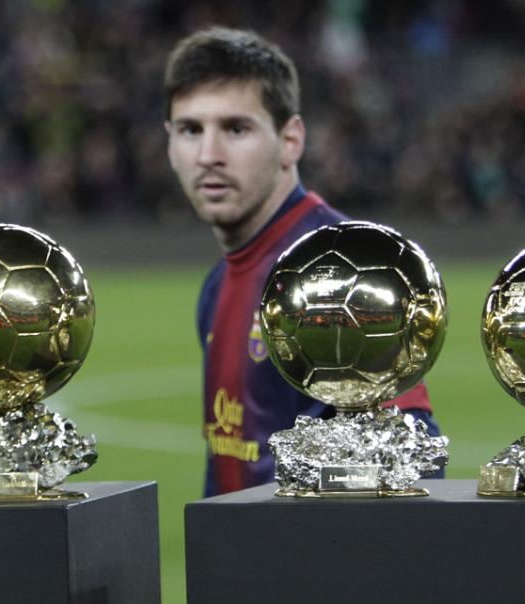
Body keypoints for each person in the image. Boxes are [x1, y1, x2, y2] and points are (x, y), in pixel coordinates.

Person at [164, 27, 441, 497]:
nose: (208, 155)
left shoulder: (339, 272)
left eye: (236, 128)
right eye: (191, 130)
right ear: (169, 142)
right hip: (237, 565)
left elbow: (413, 457)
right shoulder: (217, 284)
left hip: (310, 567)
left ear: (290, 140)